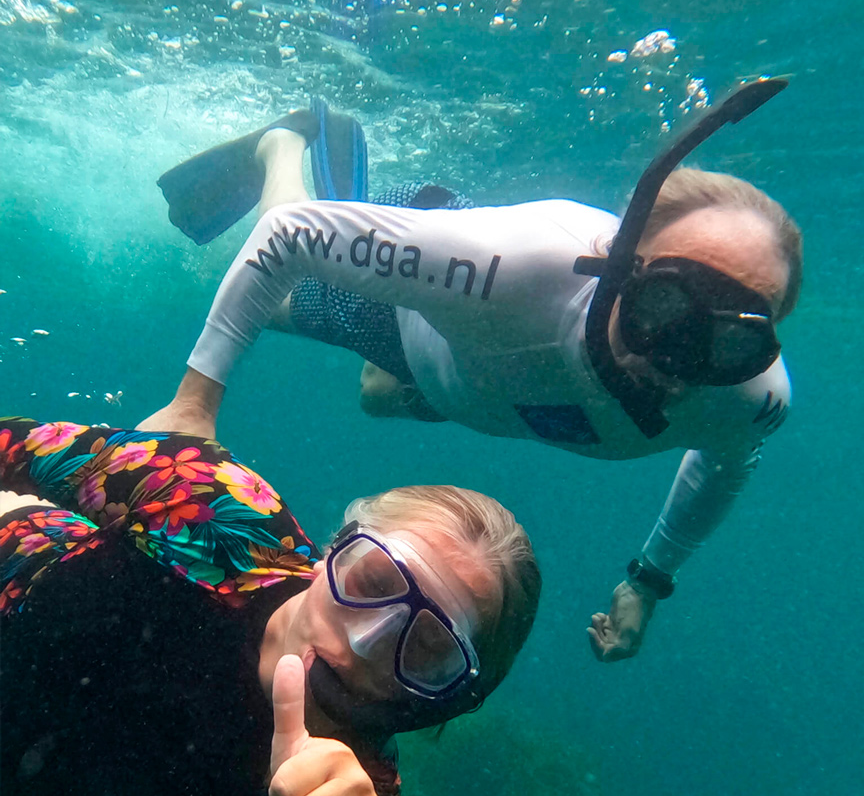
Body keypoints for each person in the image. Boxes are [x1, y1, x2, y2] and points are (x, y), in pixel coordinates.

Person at [145, 80, 801, 664]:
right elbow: (292, 236)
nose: (678, 359)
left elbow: (727, 462)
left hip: (466, 375)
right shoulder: (515, 267)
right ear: (616, 261)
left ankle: (392, 347)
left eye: (726, 341)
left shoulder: (749, 399)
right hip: (424, 299)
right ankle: (286, 145)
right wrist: (195, 404)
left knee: (377, 397)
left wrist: (648, 581)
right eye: (665, 304)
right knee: (282, 299)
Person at [0, 416, 540, 796]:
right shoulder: (214, 512)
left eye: (429, 649)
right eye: (373, 579)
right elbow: (13, 445)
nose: (361, 643)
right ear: (336, 545)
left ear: (443, 699)